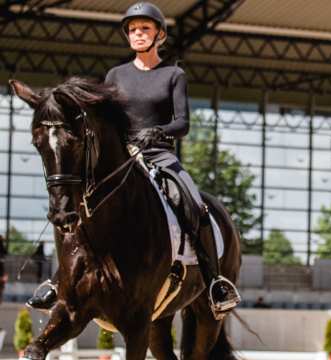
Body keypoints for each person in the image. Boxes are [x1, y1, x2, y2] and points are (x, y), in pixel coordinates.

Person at [26, 2, 240, 318]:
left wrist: (158, 132)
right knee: (81, 204)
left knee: (193, 202)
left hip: (159, 156)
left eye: (145, 29)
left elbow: (183, 123)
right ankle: (62, 280)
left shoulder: (173, 74)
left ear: (160, 36)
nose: (138, 35)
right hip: (122, 157)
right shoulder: (116, 74)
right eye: (133, 30)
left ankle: (214, 281)